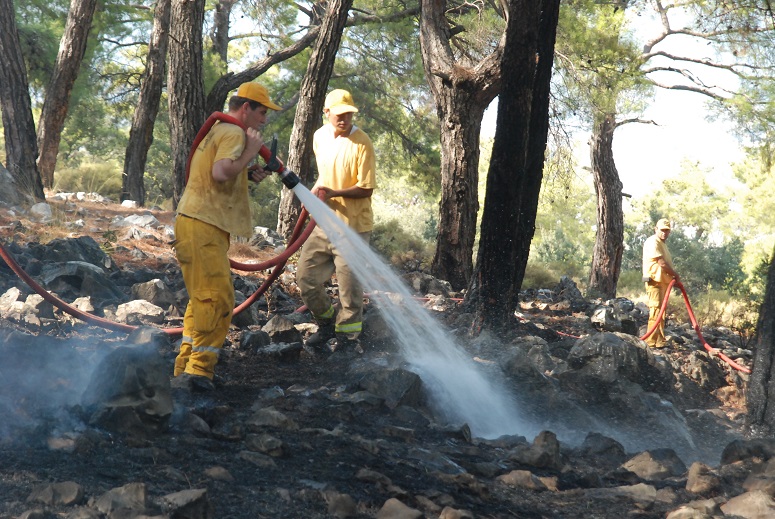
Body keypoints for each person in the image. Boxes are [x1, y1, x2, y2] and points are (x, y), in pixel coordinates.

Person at [172, 82, 281, 391]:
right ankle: (198, 375)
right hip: (202, 224)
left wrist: (247, 169)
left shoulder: (219, 129)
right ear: (245, 108)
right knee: (217, 299)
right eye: (261, 113)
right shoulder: (234, 132)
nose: (264, 120)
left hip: (198, 222)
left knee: (201, 297)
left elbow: (217, 173)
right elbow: (221, 172)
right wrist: (248, 150)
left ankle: (186, 368)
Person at [297, 89, 377, 349]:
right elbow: (325, 174)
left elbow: (366, 187)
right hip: (323, 224)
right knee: (305, 279)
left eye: (348, 114)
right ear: (327, 113)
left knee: (349, 289)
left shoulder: (362, 142)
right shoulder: (319, 136)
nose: (344, 119)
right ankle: (327, 323)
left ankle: (347, 338)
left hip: (352, 227)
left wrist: (334, 193)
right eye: (339, 114)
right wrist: (315, 192)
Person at [642, 218, 680, 349]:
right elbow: (662, 263)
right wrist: (675, 275)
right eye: (662, 230)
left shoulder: (661, 244)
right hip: (654, 280)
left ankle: (659, 340)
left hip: (662, 281)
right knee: (656, 310)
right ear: (656, 229)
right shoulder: (653, 241)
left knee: (661, 311)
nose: (664, 233)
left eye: (667, 231)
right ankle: (651, 342)